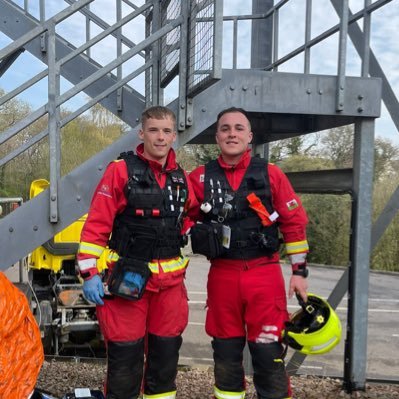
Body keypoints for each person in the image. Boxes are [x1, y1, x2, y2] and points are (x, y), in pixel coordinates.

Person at [76, 106, 197, 399]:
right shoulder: (120, 171)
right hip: (128, 282)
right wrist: (89, 273)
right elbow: (96, 226)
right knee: (125, 364)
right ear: (142, 133)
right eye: (153, 130)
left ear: (174, 136)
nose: (160, 137)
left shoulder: (182, 177)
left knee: (165, 364)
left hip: (169, 288)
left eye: (167, 131)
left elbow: (189, 216)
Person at [188, 107, 309, 399]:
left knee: (268, 353)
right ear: (217, 136)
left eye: (239, 128)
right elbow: (180, 217)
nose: (232, 133)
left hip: (264, 275)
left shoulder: (270, 174)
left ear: (249, 136)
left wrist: (299, 272)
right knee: (226, 354)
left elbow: (294, 223)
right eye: (226, 128)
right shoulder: (200, 177)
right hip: (223, 277)